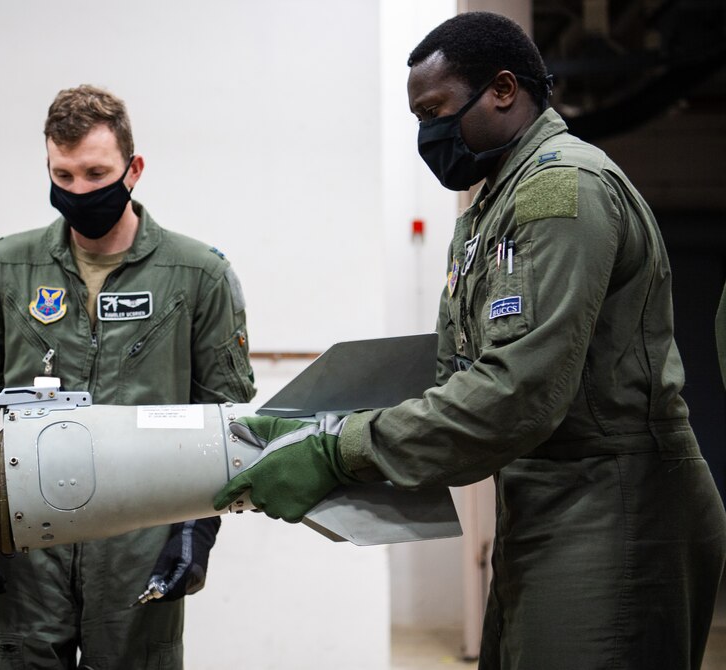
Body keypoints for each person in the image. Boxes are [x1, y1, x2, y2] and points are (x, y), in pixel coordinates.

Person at [214, 12, 726, 669]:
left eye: (435, 109)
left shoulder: (561, 190)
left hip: (617, 507)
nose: (428, 134)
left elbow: (518, 392)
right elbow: (460, 373)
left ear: (503, 89)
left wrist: (340, 450)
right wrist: (320, 420)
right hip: (544, 500)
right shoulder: (492, 207)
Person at [0, 85, 256, 669]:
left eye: (95, 173)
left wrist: (196, 530)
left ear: (133, 170)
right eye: (62, 176)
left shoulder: (198, 276)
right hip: (24, 536)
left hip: (141, 538)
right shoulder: (4, 268)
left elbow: (228, 416)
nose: (79, 191)